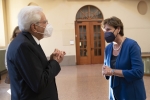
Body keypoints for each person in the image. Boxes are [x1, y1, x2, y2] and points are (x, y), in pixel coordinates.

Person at [7, 6, 65, 100]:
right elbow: (39, 83)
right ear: (34, 27)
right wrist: (55, 62)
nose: (47, 25)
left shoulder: (27, 41)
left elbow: (36, 71)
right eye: (45, 22)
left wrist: (50, 61)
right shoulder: (24, 46)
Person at [102, 16, 146, 100]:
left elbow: (138, 72)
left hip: (131, 94)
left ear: (118, 29)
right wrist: (105, 71)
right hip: (115, 94)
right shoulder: (108, 48)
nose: (106, 33)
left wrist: (113, 71)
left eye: (108, 30)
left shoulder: (132, 45)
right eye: (104, 30)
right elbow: (107, 69)